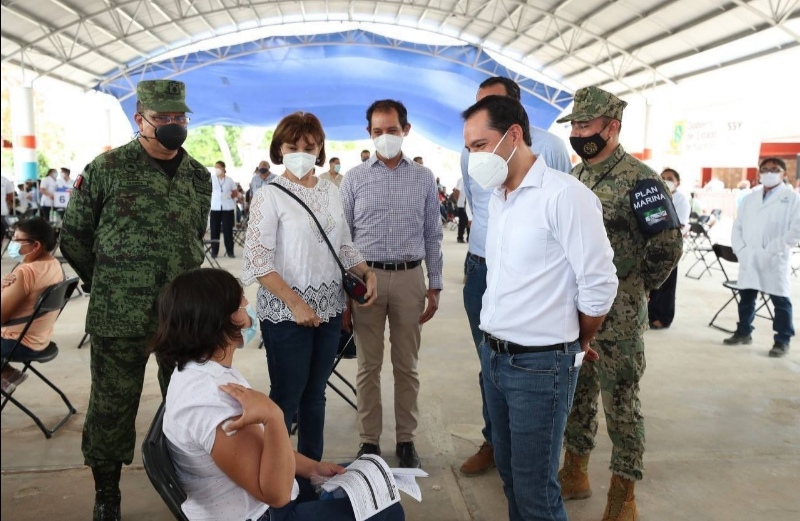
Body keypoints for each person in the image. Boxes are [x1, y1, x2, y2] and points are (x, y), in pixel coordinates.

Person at [59, 79, 211, 521]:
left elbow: (193, 241)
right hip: (118, 317)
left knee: (186, 403)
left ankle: (188, 480)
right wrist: (108, 282)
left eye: (179, 117)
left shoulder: (199, 177)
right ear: (139, 119)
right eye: (162, 118)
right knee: (111, 407)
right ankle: (107, 494)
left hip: (181, 317)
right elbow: (74, 237)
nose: (173, 125)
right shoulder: (107, 169)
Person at [463, 94, 617, 521]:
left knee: (536, 493)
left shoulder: (565, 196)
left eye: (479, 145)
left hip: (539, 366)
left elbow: (600, 283)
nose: (472, 157)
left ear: (514, 135)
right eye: (469, 148)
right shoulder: (499, 197)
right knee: (512, 477)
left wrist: (577, 339)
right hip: (494, 359)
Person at [150, 268, 404, 521]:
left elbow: (258, 448)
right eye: (240, 303)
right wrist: (273, 416)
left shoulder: (203, 372)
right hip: (263, 513)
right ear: (218, 321)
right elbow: (277, 494)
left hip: (264, 500)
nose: (248, 306)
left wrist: (313, 467)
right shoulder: (210, 401)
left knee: (376, 481)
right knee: (386, 508)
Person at [555, 86, 682, 521]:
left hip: (620, 316)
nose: (577, 132)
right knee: (578, 396)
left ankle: (623, 494)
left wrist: (635, 287)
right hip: (576, 312)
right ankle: (575, 472)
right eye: (573, 125)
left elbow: (667, 247)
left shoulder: (641, 180)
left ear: (612, 127)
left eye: (585, 124)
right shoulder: (576, 178)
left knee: (621, 404)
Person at [242, 112, 377, 462]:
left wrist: (365, 271)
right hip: (287, 314)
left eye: (309, 146)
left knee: (315, 394)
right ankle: (278, 477)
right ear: (280, 149)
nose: (301, 152)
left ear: (319, 150)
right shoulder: (269, 194)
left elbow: (344, 243)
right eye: (292, 146)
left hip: (329, 309)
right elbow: (259, 262)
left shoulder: (330, 191)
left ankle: (311, 470)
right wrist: (295, 303)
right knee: (287, 395)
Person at [458, 76, 573, 477]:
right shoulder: (470, 152)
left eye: (488, 107)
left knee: (533, 362)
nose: (477, 121)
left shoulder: (552, 148)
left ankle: (535, 455)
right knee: (490, 359)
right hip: (483, 265)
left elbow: (562, 210)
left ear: (515, 118)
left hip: (534, 270)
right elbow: (480, 205)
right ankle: (495, 441)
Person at [340, 99, 443, 468]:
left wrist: (436, 284)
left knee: (406, 366)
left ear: (406, 131)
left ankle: (405, 440)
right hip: (365, 281)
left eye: (392, 130)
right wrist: (344, 295)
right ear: (369, 134)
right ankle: (369, 441)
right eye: (378, 131)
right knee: (368, 365)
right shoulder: (354, 178)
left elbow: (433, 233)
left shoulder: (423, 178)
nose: (385, 137)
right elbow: (343, 238)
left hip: (411, 278)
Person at [723, 157, 800, 358]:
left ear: (784, 173)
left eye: (774, 169)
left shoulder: (792, 198)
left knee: (781, 302)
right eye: (764, 169)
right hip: (749, 256)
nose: (769, 173)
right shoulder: (750, 198)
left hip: (775, 258)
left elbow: (796, 231)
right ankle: (743, 332)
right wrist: (741, 249)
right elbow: (737, 226)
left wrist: (773, 249)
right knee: (746, 298)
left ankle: (782, 340)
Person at [1, 218, 64, 394]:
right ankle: (6, 373)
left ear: (36, 246)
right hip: (38, 339)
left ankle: (5, 373)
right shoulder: (53, 264)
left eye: (16, 240)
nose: (12, 243)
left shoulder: (26, 272)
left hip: (17, 342)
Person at [648, 168, 691, 330]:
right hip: (652, 244)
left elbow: (678, 224)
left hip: (671, 245)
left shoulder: (681, 200)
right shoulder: (655, 195)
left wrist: (659, 219)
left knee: (667, 284)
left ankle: (664, 318)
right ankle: (651, 315)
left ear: (677, 182)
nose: (665, 180)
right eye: (663, 177)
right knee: (653, 283)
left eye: (670, 178)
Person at [210, 160, 239, 259]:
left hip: (227, 207)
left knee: (228, 231)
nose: (216, 169)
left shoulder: (229, 180)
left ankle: (230, 251)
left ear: (223, 168)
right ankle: (214, 252)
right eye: (215, 167)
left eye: (218, 167)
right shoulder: (212, 179)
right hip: (215, 207)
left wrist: (229, 196)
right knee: (214, 230)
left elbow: (235, 192)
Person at [453, 177, 469, 243]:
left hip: (468, 204)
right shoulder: (461, 180)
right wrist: (457, 201)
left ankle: (469, 237)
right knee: (462, 221)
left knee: (469, 220)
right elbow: (457, 191)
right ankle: (460, 237)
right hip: (462, 204)